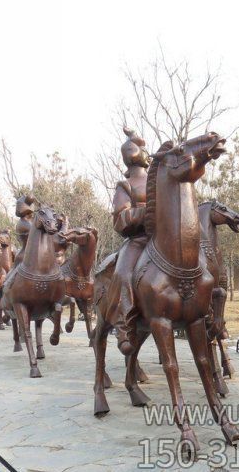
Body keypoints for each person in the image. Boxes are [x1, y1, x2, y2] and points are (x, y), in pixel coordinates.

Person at [108, 128, 150, 355]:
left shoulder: (158, 181)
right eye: (140, 148)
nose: (145, 152)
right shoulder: (125, 186)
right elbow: (119, 218)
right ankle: (123, 325)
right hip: (138, 240)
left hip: (163, 238)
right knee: (123, 273)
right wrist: (143, 213)